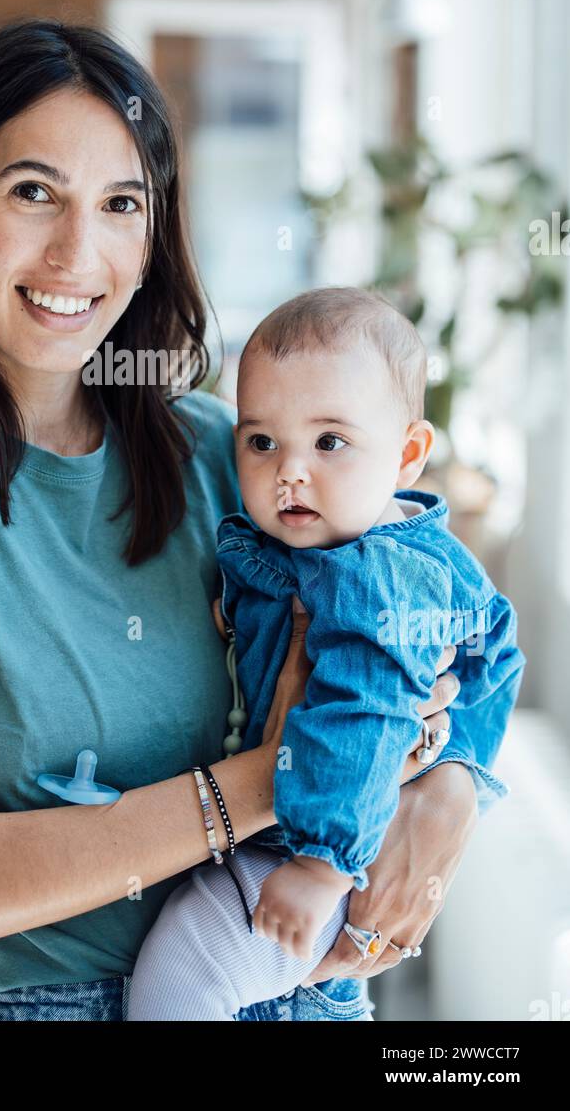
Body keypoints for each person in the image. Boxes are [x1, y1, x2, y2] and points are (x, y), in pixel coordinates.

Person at [0, 18, 473, 1023]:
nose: (78, 251)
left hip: (297, 985)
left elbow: (421, 630)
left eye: (121, 204)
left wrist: (449, 793)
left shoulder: (224, 450)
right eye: (32, 193)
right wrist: (277, 779)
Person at [126, 287, 524, 1020]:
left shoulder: (381, 578)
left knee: (180, 980)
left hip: (327, 853)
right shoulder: (314, 544)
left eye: (329, 442)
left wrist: (321, 865)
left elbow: (366, 712)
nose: (290, 471)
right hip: (303, 841)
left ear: (406, 454)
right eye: (261, 442)